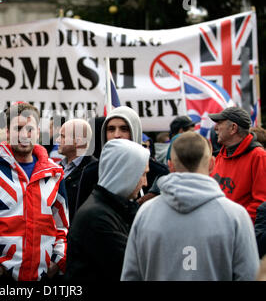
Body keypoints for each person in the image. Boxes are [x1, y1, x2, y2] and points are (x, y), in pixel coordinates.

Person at [121, 132, 260, 281]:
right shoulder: (235, 216)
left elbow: (131, 275)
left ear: (170, 165)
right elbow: (249, 275)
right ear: (212, 164)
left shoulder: (146, 214)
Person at [0, 102, 68, 281]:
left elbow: (62, 225)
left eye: (30, 128)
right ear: (6, 131)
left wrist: (57, 262)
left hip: (43, 277)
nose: (24, 135)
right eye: (17, 128)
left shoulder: (55, 173)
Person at [65, 139, 150, 281]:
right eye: (142, 174)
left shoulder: (114, 207)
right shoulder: (96, 217)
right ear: (126, 174)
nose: (145, 182)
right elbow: (138, 267)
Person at [75, 106, 168, 211]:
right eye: (111, 129)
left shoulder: (159, 172)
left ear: (135, 131)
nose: (116, 135)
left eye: (124, 129)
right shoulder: (91, 171)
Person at [209, 107, 266, 223]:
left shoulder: (259, 157)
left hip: (241, 232)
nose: (215, 127)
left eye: (219, 123)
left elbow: (261, 202)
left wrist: (235, 224)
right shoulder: (221, 155)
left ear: (233, 128)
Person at [57, 119, 96, 222]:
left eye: (62, 136)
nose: (57, 140)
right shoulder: (57, 168)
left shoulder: (94, 171)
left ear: (78, 141)